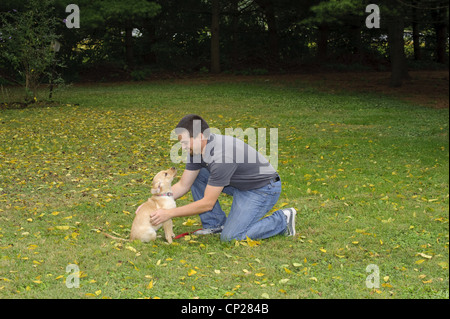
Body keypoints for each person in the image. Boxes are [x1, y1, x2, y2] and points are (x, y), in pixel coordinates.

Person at [150, 114, 296, 241]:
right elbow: (183, 185)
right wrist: (154, 203)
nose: (183, 147)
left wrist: (169, 213)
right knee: (198, 175)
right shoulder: (197, 149)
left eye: (185, 142)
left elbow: (207, 203)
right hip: (239, 183)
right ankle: (215, 224)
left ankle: (282, 219)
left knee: (231, 237)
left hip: (263, 189)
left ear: (201, 137)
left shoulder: (221, 156)